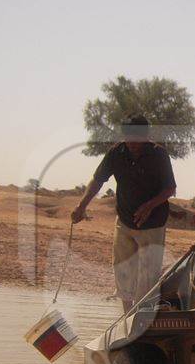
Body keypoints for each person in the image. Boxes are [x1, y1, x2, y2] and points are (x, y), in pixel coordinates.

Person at [72, 114, 176, 311]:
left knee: (148, 273)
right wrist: (81, 206)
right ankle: (127, 315)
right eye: (128, 138)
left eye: (137, 139)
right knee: (122, 267)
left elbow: (170, 189)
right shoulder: (116, 153)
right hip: (125, 220)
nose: (132, 143)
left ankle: (143, 314)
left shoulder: (159, 155)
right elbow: (98, 180)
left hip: (153, 223)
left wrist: (149, 206)